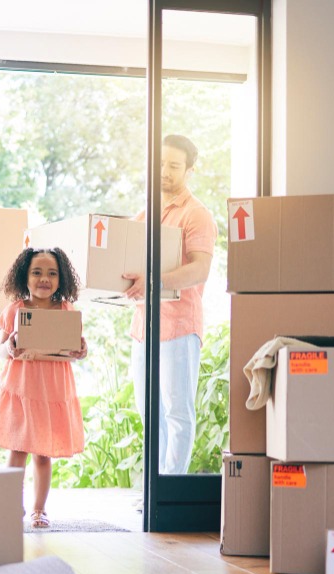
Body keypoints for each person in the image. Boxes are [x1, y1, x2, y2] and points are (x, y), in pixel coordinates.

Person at [123, 134, 218, 475]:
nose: (164, 171)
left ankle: (171, 486)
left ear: (189, 170)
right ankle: (156, 487)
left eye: (174, 166)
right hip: (143, 327)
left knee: (177, 412)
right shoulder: (146, 213)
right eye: (160, 163)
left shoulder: (197, 215)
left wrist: (155, 282)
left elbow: (200, 268)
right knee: (149, 413)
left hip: (178, 328)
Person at [0, 247, 88, 528]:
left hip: (52, 390)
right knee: (17, 450)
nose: (44, 279)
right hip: (22, 387)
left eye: (52, 273)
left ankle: (39, 509)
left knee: (43, 454)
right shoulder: (15, 310)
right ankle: (10, 506)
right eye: (37, 272)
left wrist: (82, 350)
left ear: (61, 279)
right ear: (25, 276)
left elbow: (76, 349)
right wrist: (10, 346)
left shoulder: (66, 310)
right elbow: (0, 349)